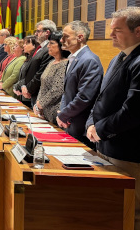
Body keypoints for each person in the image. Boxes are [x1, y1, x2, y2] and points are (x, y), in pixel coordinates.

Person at [86, 8, 140, 230]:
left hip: (129, 152)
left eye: (117, 30)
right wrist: (91, 124)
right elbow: (102, 98)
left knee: (133, 211)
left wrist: (100, 129)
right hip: (106, 145)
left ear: (138, 31)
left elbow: (133, 112)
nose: (111, 35)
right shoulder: (120, 57)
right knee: (111, 208)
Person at [57, 20, 103, 149]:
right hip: (69, 122)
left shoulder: (89, 60)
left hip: (80, 126)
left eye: (66, 36)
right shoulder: (74, 58)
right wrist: (62, 114)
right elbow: (67, 91)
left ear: (80, 37)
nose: (61, 40)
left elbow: (84, 96)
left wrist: (64, 115)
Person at [34, 31, 69, 124]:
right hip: (43, 111)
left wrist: (41, 103)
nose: (48, 46)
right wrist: (38, 104)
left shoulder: (65, 64)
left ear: (61, 45)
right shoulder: (51, 62)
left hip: (55, 113)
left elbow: (57, 90)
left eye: (52, 43)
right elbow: (43, 85)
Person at [21, 20, 56, 106]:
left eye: (38, 31)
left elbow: (40, 72)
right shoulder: (41, 48)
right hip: (33, 93)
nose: (36, 34)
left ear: (47, 32)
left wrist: (29, 89)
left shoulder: (48, 49)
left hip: (39, 94)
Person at [13, 35, 40, 106]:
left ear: (35, 45)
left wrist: (18, 86)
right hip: (23, 92)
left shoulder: (34, 59)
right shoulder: (28, 58)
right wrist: (17, 86)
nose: (24, 45)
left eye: (27, 43)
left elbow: (30, 77)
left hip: (29, 93)